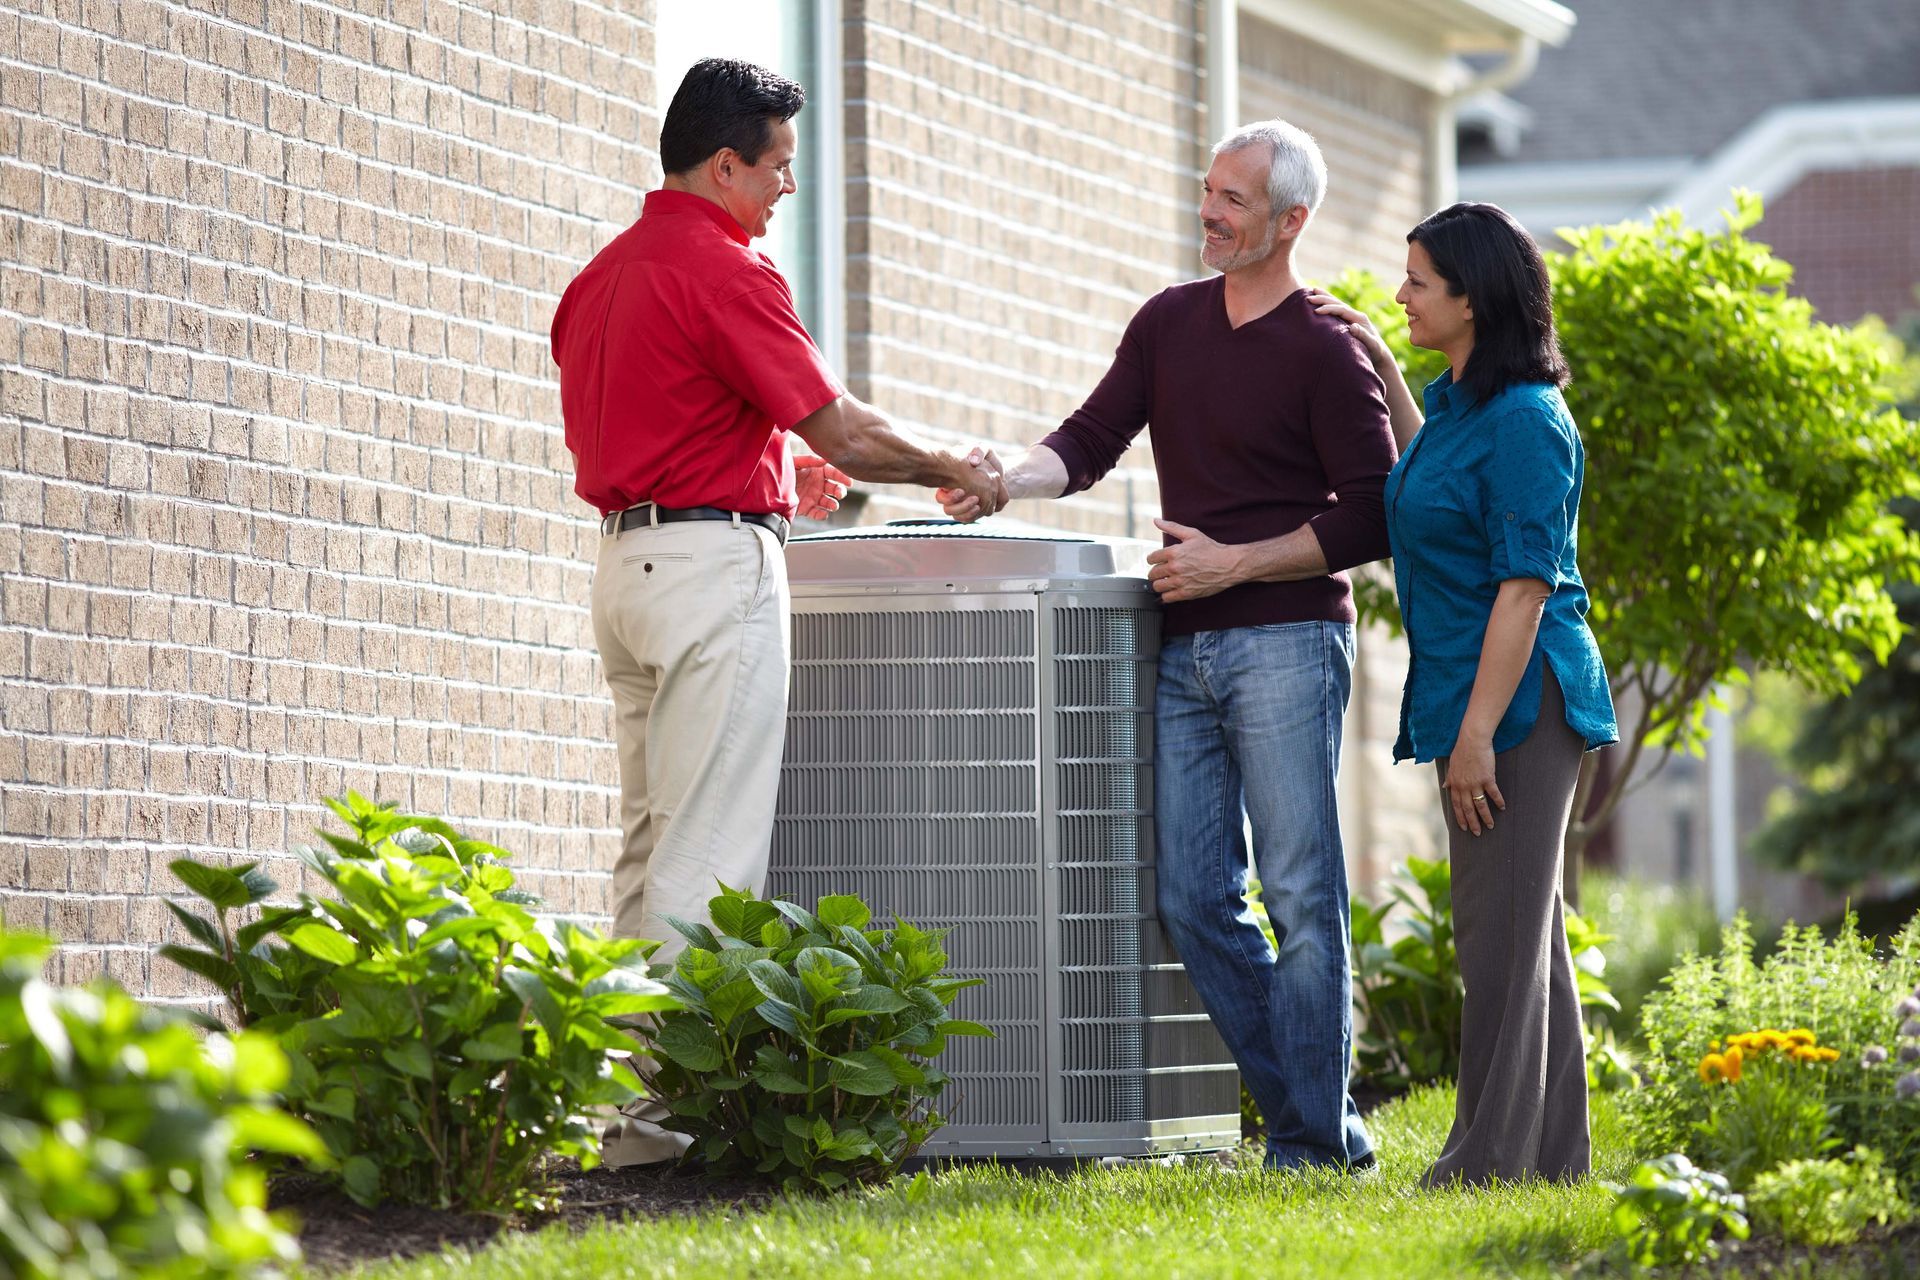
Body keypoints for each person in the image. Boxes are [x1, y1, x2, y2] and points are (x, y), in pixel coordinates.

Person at [550, 57, 1003, 1167]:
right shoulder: (728, 268)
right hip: (713, 576)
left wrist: (764, 457)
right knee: (708, 858)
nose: (787, 189)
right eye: (779, 168)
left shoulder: (600, 277)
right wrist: (952, 461)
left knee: (648, 850)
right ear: (722, 164)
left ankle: (622, 1114)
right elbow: (846, 429)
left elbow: (666, 414)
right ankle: (679, 1124)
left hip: (627, 572)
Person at [942, 120, 1395, 1172]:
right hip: (1183, 649)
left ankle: (1311, 1147)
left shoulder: (1325, 346)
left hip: (1286, 642)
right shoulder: (1167, 324)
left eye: (1233, 198)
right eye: (1207, 189)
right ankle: (1318, 1123)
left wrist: (1234, 563)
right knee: (1191, 895)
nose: (1210, 209)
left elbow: (1374, 514)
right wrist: (1003, 475)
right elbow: (1086, 442)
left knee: (1299, 894)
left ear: (1292, 221)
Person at [1306, 202, 1618, 1186]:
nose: (1400, 295)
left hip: (1521, 707)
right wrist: (1386, 371)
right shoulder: (1461, 407)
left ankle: (1482, 1163)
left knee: (1496, 943)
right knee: (1525, 940)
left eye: (1417, 282)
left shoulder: (1528, 420)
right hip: (1476, 701)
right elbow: (1423, 482)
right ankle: (1554, 1158)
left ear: (1473, 299)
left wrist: (1479, 734)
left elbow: (1525, 586)